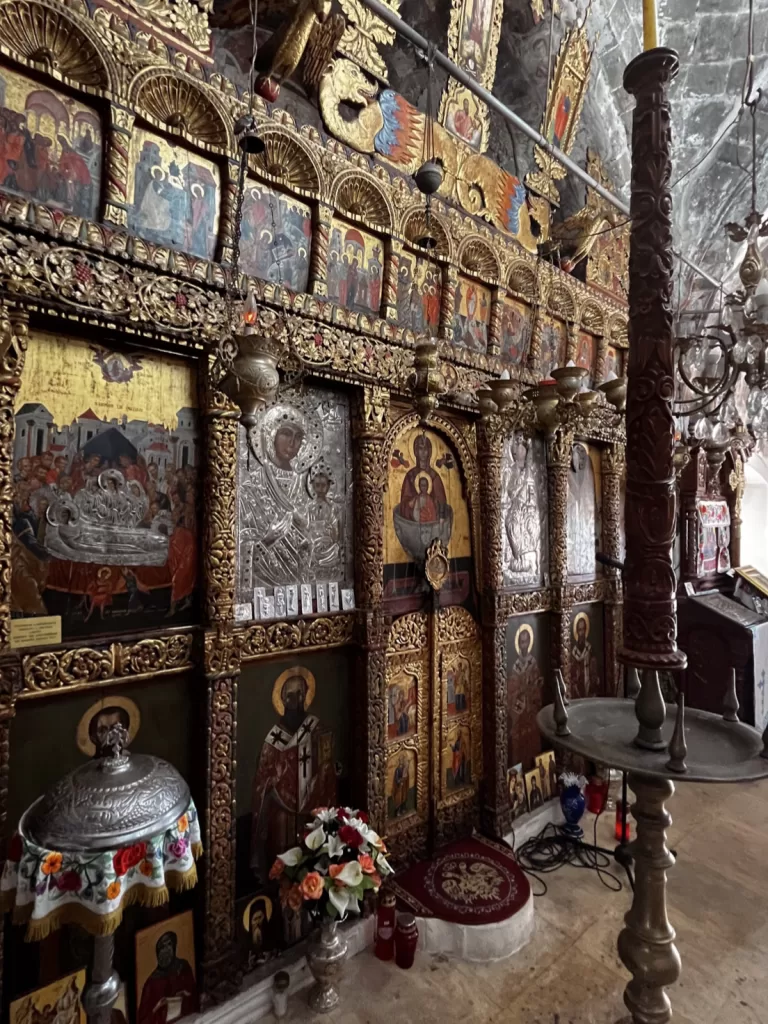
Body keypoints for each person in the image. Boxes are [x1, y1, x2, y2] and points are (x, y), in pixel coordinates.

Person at [250, 671, 336, 882]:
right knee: (280, 835)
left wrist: (330, 769)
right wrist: (274, 781)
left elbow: (326, 761)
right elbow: (261, 781)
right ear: (282, 700)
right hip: (282, 810)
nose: (295, 700)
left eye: (299, 694)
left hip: (313, 804)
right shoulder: (274, 739)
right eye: (290, 695)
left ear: (305, 696)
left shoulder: (316, 728)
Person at [137, 931, 198, 1024]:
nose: (166, 950)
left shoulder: (183, 967)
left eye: (169, 944)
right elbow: (142, 1020)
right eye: (162, 947)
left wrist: (186, 995)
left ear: (174, 947)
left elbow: (196, 999)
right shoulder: (151, 982)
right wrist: (157, 1007)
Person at [507, 625, 544, 771]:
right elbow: (511, 690)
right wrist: (519, 692)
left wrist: (534, 689)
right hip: (519, 712)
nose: (524, 645)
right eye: (521, 642)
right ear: (519, 644)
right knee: (518, 741)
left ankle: (534, 771)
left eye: (526, 641)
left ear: (529, 643)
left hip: (531, 712)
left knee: (532, 739)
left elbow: (538, 686)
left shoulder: (533, 663)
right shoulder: (515, 667)